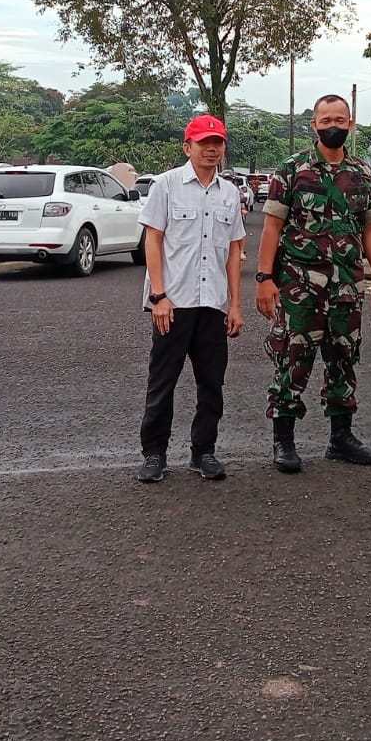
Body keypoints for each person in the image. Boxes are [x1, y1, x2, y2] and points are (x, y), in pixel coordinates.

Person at [255, 93, 371, 471]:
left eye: (340, 120)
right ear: (313, 125)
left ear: (351, 124)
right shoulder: (293, 170)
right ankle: (284, 442)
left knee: (344, 359)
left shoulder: (363, 173)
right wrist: (265, 278)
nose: (333, 126)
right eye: (326, 119)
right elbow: (272, 227)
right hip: (299, 287)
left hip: (347, 287)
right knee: (292, 359)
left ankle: (341, 438)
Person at [135, 114, 248, 484]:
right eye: (203, 143)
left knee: (211, 384)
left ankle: (204, 452)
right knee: (162, 382)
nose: (211, 149)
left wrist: (234, 304)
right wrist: (159, 296)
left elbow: (233, 252)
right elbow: (152, 241)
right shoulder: (166, 186)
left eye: (217, 143)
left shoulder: (230, 194)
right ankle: (154, 454)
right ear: (188, 147)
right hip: (173, 303)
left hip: (212, 305)